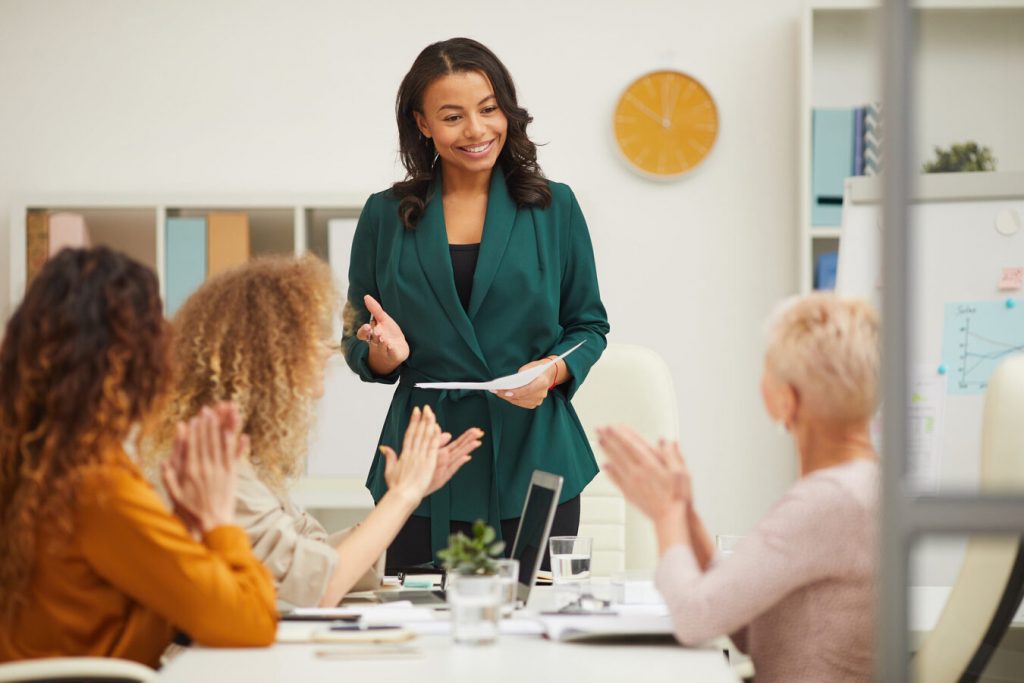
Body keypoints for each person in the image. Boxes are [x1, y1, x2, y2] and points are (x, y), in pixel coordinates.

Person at [343, 37, 610, 567]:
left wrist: (552, 370)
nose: (476, 130)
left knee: (532, 633)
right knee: (418, 631)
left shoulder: (555, 208)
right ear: (422, 124)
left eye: (489, 110)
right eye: (452, 116)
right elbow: (358, 333)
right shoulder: (384, 216)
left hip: (533, 459)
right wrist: (382, 354)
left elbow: (588, 326)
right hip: (422, 463)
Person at [0, 247, 277, 666]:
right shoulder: (97, 485)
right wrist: (219, 518)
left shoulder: (36, 465)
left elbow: (137, 603)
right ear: (135, 359)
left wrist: (183, 524)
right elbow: (251, 620)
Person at [152, 255, 480, 607]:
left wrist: (404, 496)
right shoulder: (213, 462)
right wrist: (403, 496)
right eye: (307, 352)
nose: (318, 391)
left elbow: (310, 556)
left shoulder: (235, 453)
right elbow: (317, 587)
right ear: (266, 362)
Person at [598, 293, 879, 683]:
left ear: (786, 399)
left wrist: (665, 516)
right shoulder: (862, 487)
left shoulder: (823, 503)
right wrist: (685, 515)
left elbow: (694, 619)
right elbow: (743, 622)